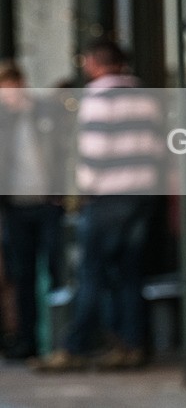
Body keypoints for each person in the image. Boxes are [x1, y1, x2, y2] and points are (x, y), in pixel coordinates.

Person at [34, 40, 163, 371]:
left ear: (93, 63)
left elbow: (93, 151)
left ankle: (75, 347)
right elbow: (158, 147)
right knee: (130, 272)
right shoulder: (142, 93)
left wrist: (83, 189)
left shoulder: (96, 96)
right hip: (143, 193)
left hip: (108, 195)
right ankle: (131, 344)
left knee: (90, 271)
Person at [0, 61, 66, 360]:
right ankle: (28, 340)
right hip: (15, 206)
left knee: (56, 269)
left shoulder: (44, 111)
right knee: (23, 274)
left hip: (47, 202)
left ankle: (57, 340)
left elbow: (63, 149)